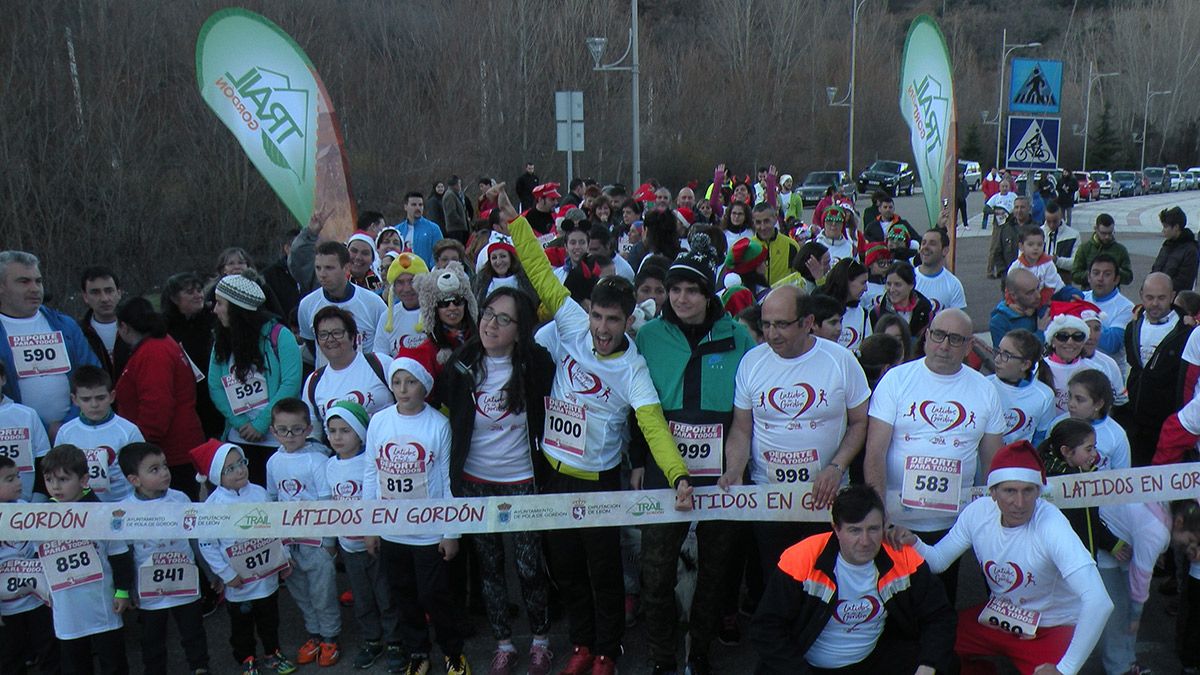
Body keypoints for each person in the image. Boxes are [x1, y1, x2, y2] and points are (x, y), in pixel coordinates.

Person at [499, 186, 693, 675]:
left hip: (599, 480)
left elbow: (653, 428)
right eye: (597, 317)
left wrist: (677, 476)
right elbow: (541, 274)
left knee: (603, 570)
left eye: (612, 321)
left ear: (629, 321)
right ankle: (582, 644)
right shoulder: (570, 324)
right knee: (565, 569)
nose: (602, 329)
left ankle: (607, 649)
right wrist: (515, 223)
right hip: (555, 472)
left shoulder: (633, 370)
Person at [630, 234, 756, 675]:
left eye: (692, 290)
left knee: (715, 569)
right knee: (657, 570)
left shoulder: (737, 336)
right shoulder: (648, 336)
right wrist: (637, 463)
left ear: (708, 294)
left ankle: (699, 653)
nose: (681, 298)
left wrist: (740, 465)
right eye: (674, 289)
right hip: (664, 464)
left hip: (721, 466)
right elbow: (634, 405)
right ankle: (662, 659)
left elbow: (750, 409)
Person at [889, 440, 1114, 675]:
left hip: (1051, 625)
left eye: (1028, 491)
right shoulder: (977, 513)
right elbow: (938, 561)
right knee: (931, 648)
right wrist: (913, 542)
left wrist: (1065, 670)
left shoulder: (1051, 524)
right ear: (993, 492)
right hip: (1001, 616)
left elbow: (1100, 602)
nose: (1019, 503)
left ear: (1039, 491)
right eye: (1009, 491)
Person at [437, 287, 556, 675]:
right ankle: (503, 643)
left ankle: (540, 640)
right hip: (475, 481)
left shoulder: (537, 364)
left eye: (504, 319)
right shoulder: (462, 362)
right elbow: (441, 411)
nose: (491, 324)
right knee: (488, 567)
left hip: (522, 479)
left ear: (520, 330)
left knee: (528, 566)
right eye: (488, 314)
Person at [726, 285, 870, 576]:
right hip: (770, 496)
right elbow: (742, 429)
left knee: (822, 578)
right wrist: (734, 469)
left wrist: (836, 467)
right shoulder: (752, 363)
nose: (772, 334)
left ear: (807, 322)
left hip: (824, 496)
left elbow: (860, 422)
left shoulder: (840, 360)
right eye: (766, 325)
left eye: (782, 324)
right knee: (776, 579)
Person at [865, 308, 1006, 603]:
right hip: (897, 519)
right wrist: (878, 514)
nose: (944, 345)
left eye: (955, 339)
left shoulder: (985, 390)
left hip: (952, 526)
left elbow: (993, 463)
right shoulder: (896, 380)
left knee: (940, 604)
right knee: (893, 603)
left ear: (969, 346)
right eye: (939, 335)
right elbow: (875, 452)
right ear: (927, 336)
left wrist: (990, 519)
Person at [751, 484, 956, 675]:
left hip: (871, 658)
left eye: (873, 529)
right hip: (807, 665)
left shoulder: (901, 556)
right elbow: (766, 627)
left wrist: (928, 665)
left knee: (945, 663)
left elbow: (939, 614)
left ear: (885, 525)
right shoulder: (802, 559)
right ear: (836, 528)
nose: (865, 541)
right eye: (854, 530)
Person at [363, 357, 470, 675]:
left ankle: (453, 652)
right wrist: (370, 526)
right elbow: (371, 473)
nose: (402, 389)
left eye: (410, 382)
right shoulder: (379, 422)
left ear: (424, 386)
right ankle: (417, 653)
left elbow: (449, 480)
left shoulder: (438, 424)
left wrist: (451, 532)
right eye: (397, 382)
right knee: (404, 596)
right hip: (392, 531)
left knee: (434, 595)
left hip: (429, 531)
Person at [192, 439, 297, 674]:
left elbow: (276, 528)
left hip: (267, 575)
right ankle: (247, 657)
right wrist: (226, 575)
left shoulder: (259, 493)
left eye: (241, 462)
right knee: (242, 624)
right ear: (216, 475)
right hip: (239, 582)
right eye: (230, 468)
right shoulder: (212, 506)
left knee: (270, 618)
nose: (240, 470)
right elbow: (208, 544)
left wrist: (285, 557)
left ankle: (273, 652)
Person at [321, 401, 403, 670]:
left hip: (375, 543)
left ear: (360, 433)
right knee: (362, 597)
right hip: (349, 545)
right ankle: (372, 640)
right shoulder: (328, 467)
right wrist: (331, 542)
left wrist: (376, 532)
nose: (337, 437)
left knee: (385, 594)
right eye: (332, 431)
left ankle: (394, 641)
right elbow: (330, 506)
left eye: (345, 430)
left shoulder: (370, 463)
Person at [40, 444, 134, 674]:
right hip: (66, 607)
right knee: (74, 664)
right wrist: (42, 591)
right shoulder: (39, 516)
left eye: (63, 479)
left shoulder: (101, 513)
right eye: (49, 479)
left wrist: (122, 591)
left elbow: (120, 554)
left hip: (101, 603)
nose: (55, 486)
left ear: (83, 480)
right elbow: (37, 559)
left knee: (113, 662)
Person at [118, 442, 210, 675]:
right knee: (152, 637)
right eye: (154, 469)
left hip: (185, 581)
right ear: (134, 480)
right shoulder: (124, 509)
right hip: (149, 588)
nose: (165, 473)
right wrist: (128, 589)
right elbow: (125, 552)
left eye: (165, 466)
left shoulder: (180, 499)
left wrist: (209, 574)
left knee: (193, 630)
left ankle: (200, 666)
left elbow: (195, 540)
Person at [264, 398, 341, 667]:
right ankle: (315, 634)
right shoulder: (273, 462)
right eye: (283, 430)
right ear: (273, 431)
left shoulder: (316, 460)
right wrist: (277, 542)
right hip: (288, 542)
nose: (290, 435)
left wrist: (329, 542)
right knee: (300, 592)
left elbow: (327, 504)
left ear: (308, 429)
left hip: (316, 541)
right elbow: (273, 500)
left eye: (297, 429)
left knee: (323, 591)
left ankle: (330, 636)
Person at [207, 274, 303, 486]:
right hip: (239, 440)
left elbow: (291, 382)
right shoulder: (222, 340)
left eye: (220, 304)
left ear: (237, 308)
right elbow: (215, 386)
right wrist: (241, 424)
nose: (215, 310)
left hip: (278, 439)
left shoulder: (280, 336)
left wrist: (261, 424)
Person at [112, 296, 207, 500]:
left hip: (169, 452)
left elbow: (157, 407)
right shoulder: (161, 342)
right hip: (172, 448)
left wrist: (138, 446)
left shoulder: (153, 352)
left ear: (124, 327)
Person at [0, 250, 100, 439]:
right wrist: (41, 429)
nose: (35, 288)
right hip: (16, 438)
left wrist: (69, 423)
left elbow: (93, 375)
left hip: (74, 432)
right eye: (24, 282)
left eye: (38, 281)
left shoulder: (65, 325)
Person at [1119, 271, 1192, 465]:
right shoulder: (1132, 328)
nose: (1155, 303)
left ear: (1172, 296)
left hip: (1166, 424)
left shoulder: (1186, 332)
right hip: (1136, 424)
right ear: (1141, 294)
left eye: (1161, 298)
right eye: (1150, 297)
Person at [0, 453, 58, 672]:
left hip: (37, 599)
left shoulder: (25, 507)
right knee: (10, 654)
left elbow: (40, 547)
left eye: (17, 476)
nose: (18, 482)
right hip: (6, 606)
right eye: (9, 479)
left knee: (48, 647)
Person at [296, 241, 388, 368]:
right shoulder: (307, 305)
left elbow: (385, 345)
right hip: (327, 382)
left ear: (346, 268)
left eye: (329, 268)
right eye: (318, 268)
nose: (322, 274)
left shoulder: (374, 304)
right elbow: (311, 343)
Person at [54, 364, 138, 502]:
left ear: (112, 396)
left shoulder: (129, 430)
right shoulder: (65, 432)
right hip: (81, 506)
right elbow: (58, 472)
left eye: (100, 398)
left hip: (123, 503)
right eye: (86, 399)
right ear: (74, 400)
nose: (94, 405)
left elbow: (141, 472)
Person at [303, 307, 393, 435]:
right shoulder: (314, 381)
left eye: (337, 332)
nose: (330, 339)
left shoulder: (380, 363)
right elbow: (313, 434)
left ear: (352, 336)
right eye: (323, 335)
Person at [161, 272, 224, 438]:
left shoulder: (214, 318)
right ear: (174, 298)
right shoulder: (164, 328)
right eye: (190, 292)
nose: (198, 295)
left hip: (217, 390)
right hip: (186, 396)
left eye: (199, 290)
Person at [1040, 300, 1124, 416]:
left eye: (1077, 337)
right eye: (1063, 336)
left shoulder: (1096, 370)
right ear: (1052, 341)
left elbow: (1105, 409)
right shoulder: (1036, 369)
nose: (1070, 342)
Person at [988, 328, 1056, 446]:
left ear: (1025, 364)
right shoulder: (985, 385)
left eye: (1006, 355)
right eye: (998, 351)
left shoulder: (1044, 396)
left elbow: (1040, 439)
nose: (997, 359)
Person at [0, 360, 49, 501]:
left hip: (28, 507)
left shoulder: (27, 415)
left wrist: (37, 503)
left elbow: (43, 461)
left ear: (3, 379)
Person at [1082, 254, 1134, 373]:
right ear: (1089, 277)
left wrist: (1082, 319)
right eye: (1096, 273)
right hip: (1080, 370)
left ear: (1116, 279)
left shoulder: (1126, 307)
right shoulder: (1081, 298)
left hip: (1109, 374)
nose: (1100, 278)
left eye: (1107, 274)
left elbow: (1112, 344)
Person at [77, 266, 128, 381]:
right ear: (85, 297)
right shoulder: (78, 333)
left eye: (109, 291)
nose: (104, 298)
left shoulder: (137, 328)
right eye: (95, 292)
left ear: (119, 293)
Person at [374, 252, 429, 357]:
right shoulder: (386, 318)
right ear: (393, 287)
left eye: (412, 281)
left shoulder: (437, 311)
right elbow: (381, 359)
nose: (407, 289)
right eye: (400, 282)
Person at [869, 261, 933, 342]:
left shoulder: (925, 312)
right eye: (888, 284)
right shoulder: (876, 313)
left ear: (911, 285)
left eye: (897, 284)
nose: (892, 289)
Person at [818, 258, 871, 353]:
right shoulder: (820, 307)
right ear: (846, 281)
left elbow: (868, 348)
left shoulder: (862, 313)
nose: (866, 288)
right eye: (863, 283)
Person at [989, 268, 1048, 348]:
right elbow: (1008, 357)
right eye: (1030, 293)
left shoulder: (1041, 309)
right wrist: (1041, 332)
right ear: (1013, 295)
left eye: (1037, 288)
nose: (1038, 296)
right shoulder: (999, 322)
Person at [1071, 214, 1133, 289]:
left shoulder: (1120, 250)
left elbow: (1129, 277)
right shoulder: (1084, 249)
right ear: (1096, 229)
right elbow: (1075, 275)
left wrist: (1113, 272)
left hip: (1112, 295)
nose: (1107, 237)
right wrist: (1093, 274)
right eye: (1103, 233)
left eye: (1110, 233)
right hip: (1089, 294)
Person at [914, 228, 966, 314]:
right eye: (923, 243)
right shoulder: (907, 279)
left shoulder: (954, 285)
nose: (925, 247)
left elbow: (956, 322)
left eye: (932, 243)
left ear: (945, 251)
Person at [1009, 225, 1062, 303]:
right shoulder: (1016, 266)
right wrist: (1010, 303)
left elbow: (1050, 288)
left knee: (1072, 293)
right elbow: (1009, 288)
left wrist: (1035, 306)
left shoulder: (1048, 263)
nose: (1035, 248)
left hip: (1052, 295)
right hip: (1025, 299)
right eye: (1030, 244)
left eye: (1039, 244)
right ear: (1021, 246)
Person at [750, 202, 800, 286]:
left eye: (766, 221)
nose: (763, 227)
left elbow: (799, 277)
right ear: (753, 222)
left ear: (775, 219)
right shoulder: (748, 247)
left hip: (782, 297)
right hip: (757, 298)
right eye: (758, 222)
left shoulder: (791, 246)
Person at [1152, 206, 1199, 292]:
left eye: (1166, 227)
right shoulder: (1166, 246)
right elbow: (1155, 270)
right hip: (1158, 296)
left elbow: (1184, 282)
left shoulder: (1191, 250)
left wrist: (1160, 290)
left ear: (1176, 227)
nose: (1163, 231)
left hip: (1174, 300)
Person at [393, 191, 445, 266]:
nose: (418, 208)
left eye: (420, 205)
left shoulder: (433, 229)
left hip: (425, 274)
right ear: (405, 207)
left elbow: (440, 252)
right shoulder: (397, 230)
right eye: (414, 205)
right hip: (403, 274)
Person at [986, 193, 1024, 278]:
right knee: (995, 248)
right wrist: (996, 211)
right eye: (1003, 186)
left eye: (1006, 186)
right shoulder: (996, 197)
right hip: (998, 226)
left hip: (1009, 223)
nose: (1004, 188)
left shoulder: (1013, 196)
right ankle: (990, 270)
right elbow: (986, 209)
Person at [1041, 201, 1079, 279]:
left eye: (1055, 221)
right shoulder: (1038, 233)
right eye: (1048, 221)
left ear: (1061, 216)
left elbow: (1076, 263)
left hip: (1063, 280)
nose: (1051, 225)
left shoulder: (1073, 235)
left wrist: (1057, 260)